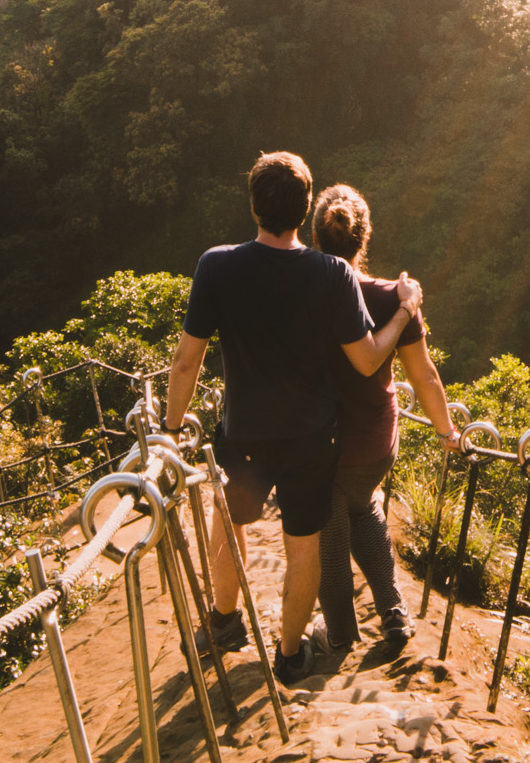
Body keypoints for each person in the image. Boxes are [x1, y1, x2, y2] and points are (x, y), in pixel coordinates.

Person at [161, 152, 417, 684]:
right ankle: (290, 654)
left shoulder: (217, 265)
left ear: (254, 206)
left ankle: (224, 621)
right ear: (305, 211)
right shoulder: (331, 274)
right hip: (310, 438)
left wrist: (170, 427)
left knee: (229, 522)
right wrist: (403, 313)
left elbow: (188, 359)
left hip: (245, 430)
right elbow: (369, 358)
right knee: (302, 543)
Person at [310, 184, 459, 665]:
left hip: (319, 443)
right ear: (364, 236)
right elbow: (425, 376)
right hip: (375, 441)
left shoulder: (298, 293)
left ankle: (337, 635)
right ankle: (393, 611)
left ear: (316, 235)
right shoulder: (390, 296)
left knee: (327, 530)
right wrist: (447, 433)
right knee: (363, 508)